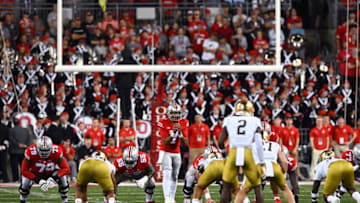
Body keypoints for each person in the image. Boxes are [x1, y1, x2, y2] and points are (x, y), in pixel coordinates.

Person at [219, 100, 265, 203]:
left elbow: (221, 141)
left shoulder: (229, 120)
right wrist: (261, 162)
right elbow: (258, 143)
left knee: (226, 186)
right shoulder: (255, 120)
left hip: (233, 152)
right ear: (250, 110)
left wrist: (223, 153)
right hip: (247, 152)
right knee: (257, 186)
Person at [238, 122, 294, 203]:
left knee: (244, 189)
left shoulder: (252, 144)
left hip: (259, 167)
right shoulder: (274, 144)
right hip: (273, 166)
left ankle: (249, 201)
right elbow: (284, 161)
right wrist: (283, 173)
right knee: (285, 188)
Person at [20, 136, 70, 203]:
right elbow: (24, 170)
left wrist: (54, 178)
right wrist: (37, 180)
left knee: (63, 178)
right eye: (42, 150)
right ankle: (22, 200)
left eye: (46, 150)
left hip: (51, 173)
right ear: (37, 148)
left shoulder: (56, 151)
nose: (44, 153)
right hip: (36, 173)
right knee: (25, 181)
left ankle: (65, 200)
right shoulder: (30, 151)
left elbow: (66, 168)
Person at [157, 102, 189, 203]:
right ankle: (167, 198)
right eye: (173, 113)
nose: (176, 116)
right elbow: (165, 142)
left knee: (175, 176)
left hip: (177, 151)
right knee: (167, 173)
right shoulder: (163, 122)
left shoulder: (183, 122)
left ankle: (172, 197)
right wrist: (173, 133)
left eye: (177, 113)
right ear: (169, 113)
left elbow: (186, 142)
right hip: (166, 151)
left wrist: (180, 133)